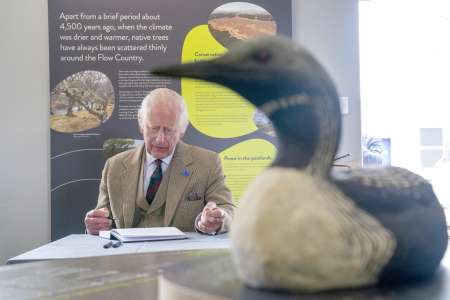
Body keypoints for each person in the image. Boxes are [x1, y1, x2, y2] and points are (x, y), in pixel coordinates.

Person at [84, 88, 235, 235]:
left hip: (183, 257)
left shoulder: (207, 163)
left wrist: (217, 219)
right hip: (128, 258)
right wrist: (95, 225)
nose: (160, 139)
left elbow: (228, 209)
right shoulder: (114, 166)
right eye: (154, 128)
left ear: (183, 129)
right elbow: (103, 220)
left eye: (169, 130)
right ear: (141, 125)